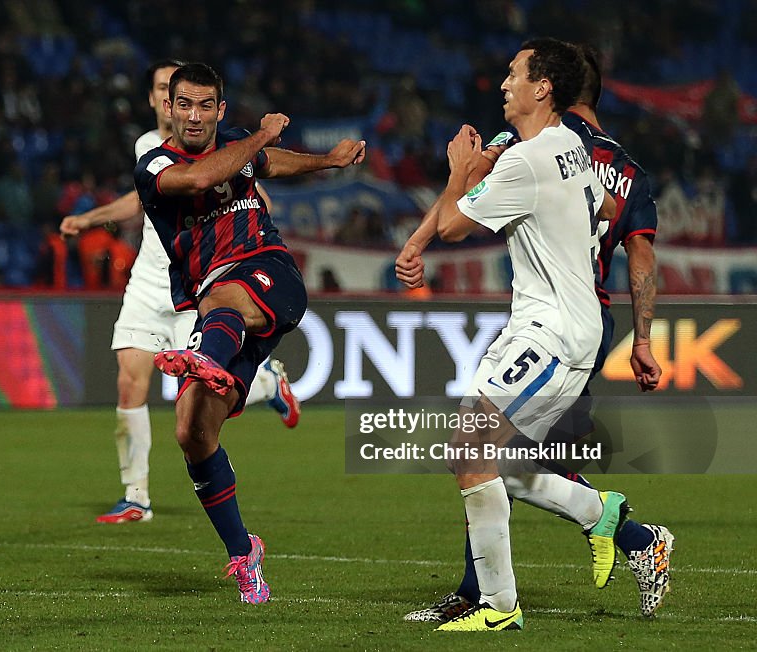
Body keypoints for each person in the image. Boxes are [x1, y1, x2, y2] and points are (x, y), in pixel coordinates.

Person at [399, 44, 673, 624]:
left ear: (543, 87)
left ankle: (495, 607)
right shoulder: (572, 148)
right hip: (568, 326)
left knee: (469, 453)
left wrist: (457, 172)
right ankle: (607, 517)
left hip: (551, 332)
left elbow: (452, 224)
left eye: (513, 75)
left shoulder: (528, 161)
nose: (502, 83)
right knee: (498, 463)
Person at [134, 62, 365, 603]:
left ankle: (209, 359)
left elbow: (269, 164)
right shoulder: (155, 165)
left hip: (269, 273)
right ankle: (244, 553)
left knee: (223, 298)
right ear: (168, 108)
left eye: (204, 105)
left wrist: (325, 161)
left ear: (220, 109)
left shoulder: (239, 143)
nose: (193, 115)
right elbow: (202, 177)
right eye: (183, 104)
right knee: (191, 430)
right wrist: (261, 134)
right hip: (223, 311)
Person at [60, 60, 302, 525]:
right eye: (160, 90)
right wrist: (91, 218)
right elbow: (141, 197)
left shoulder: (218, 143)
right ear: (159, 100)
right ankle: (136, 495)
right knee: (129, 380)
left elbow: (239, 177)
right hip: (149, 279)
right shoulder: (148, 148)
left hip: (199, 279)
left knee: (196, 393)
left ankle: (268, 383)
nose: (184, 108)